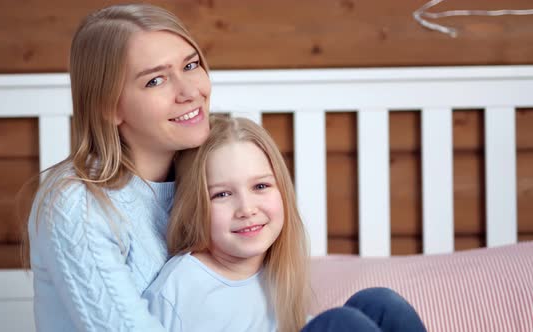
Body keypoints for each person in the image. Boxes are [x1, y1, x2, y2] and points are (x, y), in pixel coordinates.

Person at [143, 115, 427, 332]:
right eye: (222, 194)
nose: (246, 209)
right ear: (194, 206)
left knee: (381, 304)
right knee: (341, 324)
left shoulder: (276, 272)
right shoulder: (180, 285)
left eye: (261, 186)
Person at [26, 3, 211, 331]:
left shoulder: (211, 176)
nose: (190, 92)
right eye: (155, 80)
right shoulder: (78, 204)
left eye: (191, 65)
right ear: (108, 107)